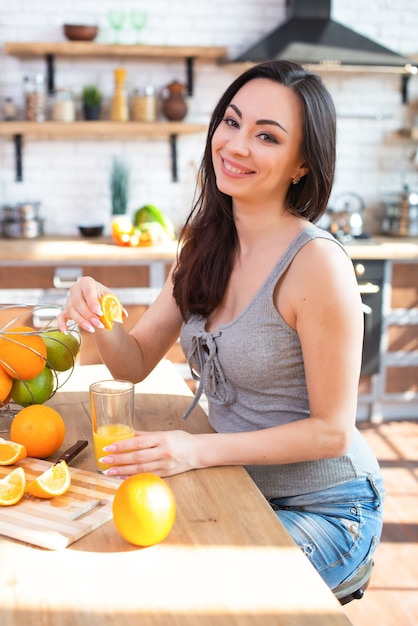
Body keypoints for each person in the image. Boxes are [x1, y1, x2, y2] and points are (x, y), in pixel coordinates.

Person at [58, 60, 385, 592]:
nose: (235, 146)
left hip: (328, 508)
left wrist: (192, 450)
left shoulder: (317, 265)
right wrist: (100, 312)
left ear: (302, 164)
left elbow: (332, 432)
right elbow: (135, 360)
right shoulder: (203, 244)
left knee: (198, 589)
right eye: (230, 123)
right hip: (239, 481)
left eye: (267, 136)